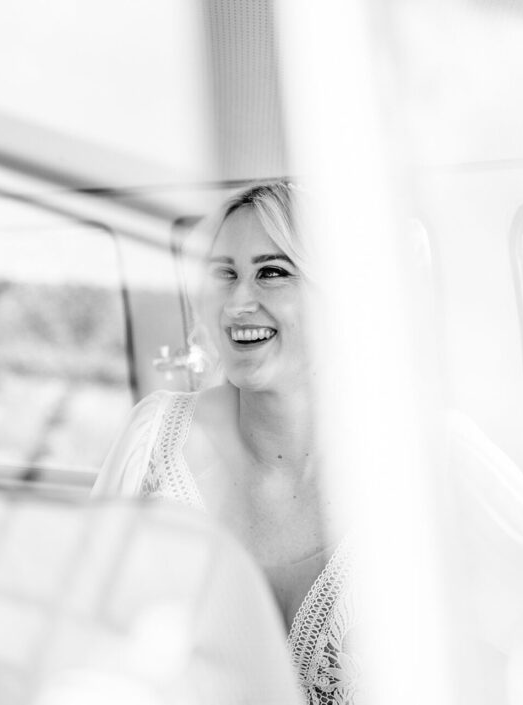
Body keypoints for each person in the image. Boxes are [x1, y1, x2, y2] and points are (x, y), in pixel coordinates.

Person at [92, 180, 358, 704]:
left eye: (272, 272)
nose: (237, 303)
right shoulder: (153, 442)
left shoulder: (428, 464)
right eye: (225, 275)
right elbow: (84, 645)